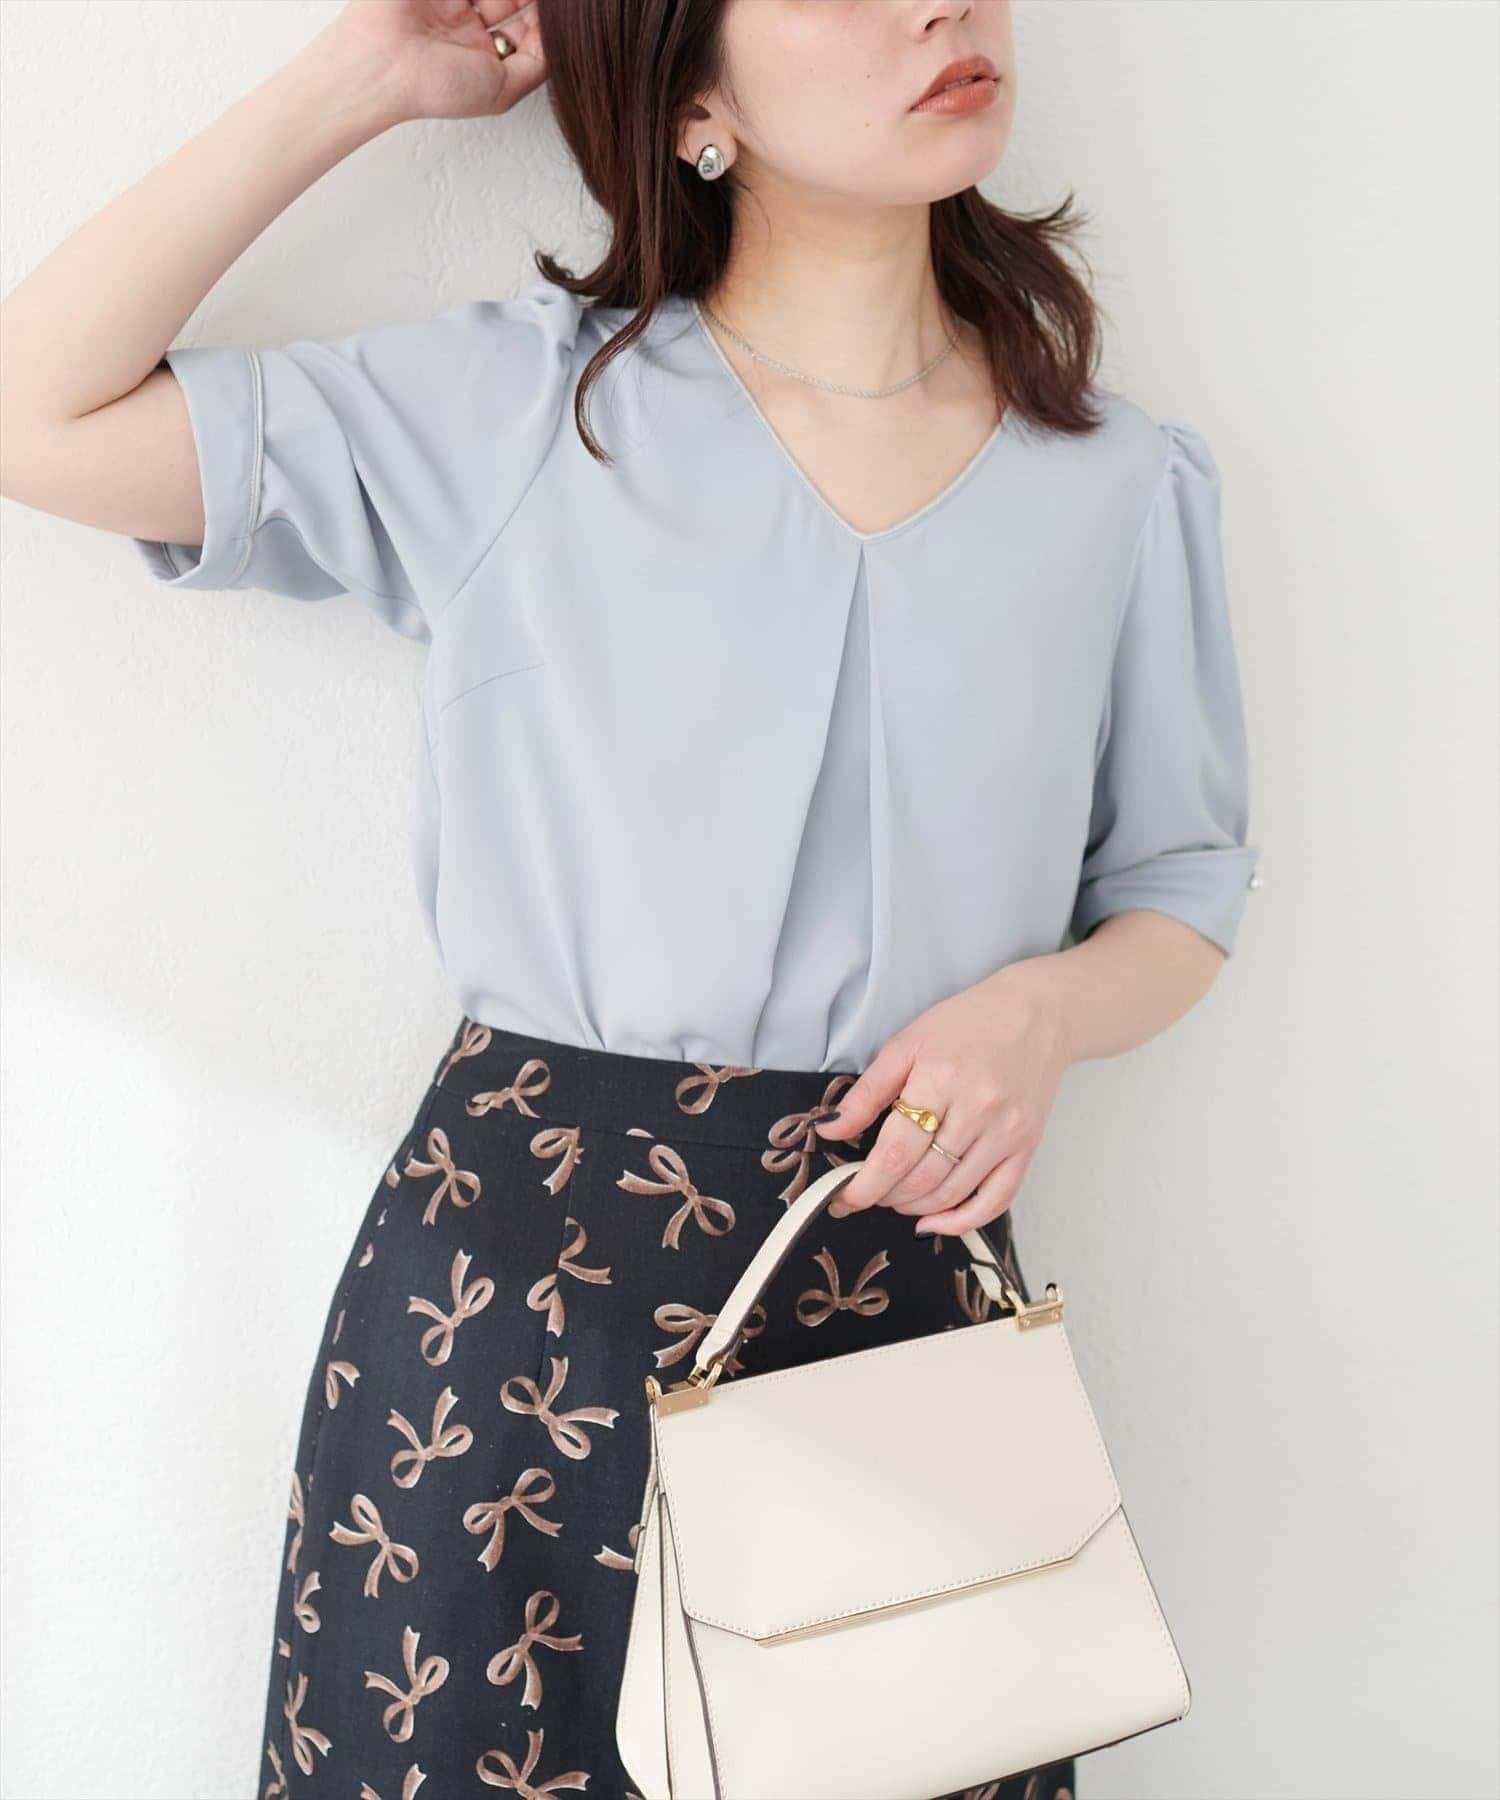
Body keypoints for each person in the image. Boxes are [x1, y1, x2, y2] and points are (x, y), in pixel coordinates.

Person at [0, 0, 1261, 1793]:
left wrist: (1038, 1014)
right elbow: (30, 408)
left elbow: (1180, 884)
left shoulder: (1113, 479)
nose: (943, 6)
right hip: (508, 1322)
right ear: (690, 101)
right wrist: (362, 81)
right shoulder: (516, 407)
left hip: (894, 1315)